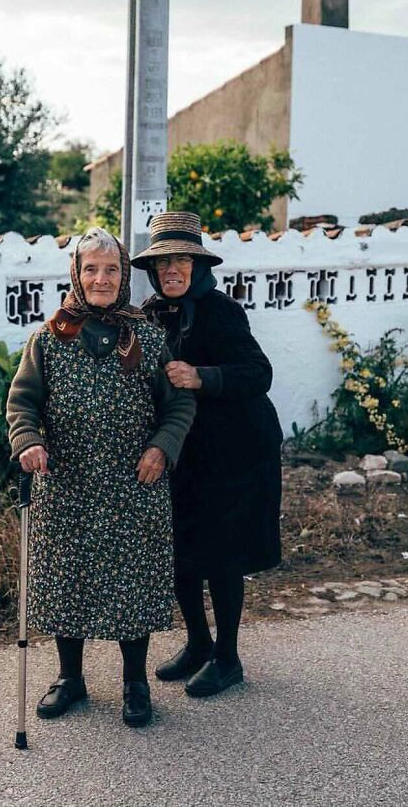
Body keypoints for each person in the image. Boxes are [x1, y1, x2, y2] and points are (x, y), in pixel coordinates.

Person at [6, 227, 195, 727]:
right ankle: (70, 678)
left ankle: (135, 683)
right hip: (66, 483)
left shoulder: (146, 337)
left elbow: (179, 405)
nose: (101, 279)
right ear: (76, 274)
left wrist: (161, 447)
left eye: (111, 269)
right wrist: (28, 440)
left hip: (135, 483)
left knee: (132, 581)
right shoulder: (49, 337)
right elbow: (22, 402)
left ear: (124, 275)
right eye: (91, 268)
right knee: (66, 580)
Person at [131, 211, 283, 697]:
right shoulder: (151, 313)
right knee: (181, 550)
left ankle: (227, 657)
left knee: (222, 555)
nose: (172, 269)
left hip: (237, 452)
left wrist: (202, 376)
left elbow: (259, 373)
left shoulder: (221, 311)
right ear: (153, 269)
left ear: (197, 266)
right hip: (185, 452)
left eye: (181, 260)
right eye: (163, 262)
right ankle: (198, 642)